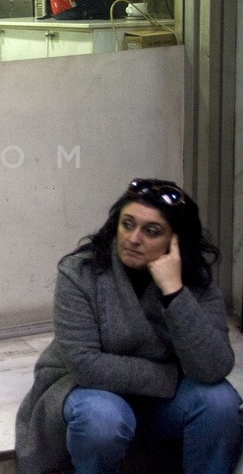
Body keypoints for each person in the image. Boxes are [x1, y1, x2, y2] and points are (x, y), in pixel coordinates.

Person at [15, 178, 243, 474]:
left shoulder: (193, 280)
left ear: (176, 241)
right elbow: (87, 366)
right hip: (87, 391)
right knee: (103, 419)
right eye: (128, 224)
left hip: (158, 404)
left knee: (220, 402)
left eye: (152, 231)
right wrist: (170, 376)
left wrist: (174, 292)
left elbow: (214, 367)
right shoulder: (81, 272)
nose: (134, 239)